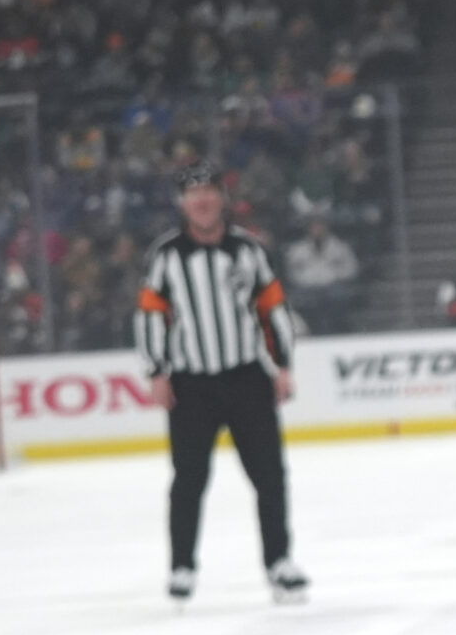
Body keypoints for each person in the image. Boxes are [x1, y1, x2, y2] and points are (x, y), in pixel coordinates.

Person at [135, 161, 308, 606]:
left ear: (221, 199)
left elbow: (273, 308)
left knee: (270, 476)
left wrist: (282, 364)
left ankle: (279, 562)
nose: (202, 202)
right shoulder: (167, 255)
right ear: (183, 203)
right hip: (191, 385)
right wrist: (156, 369)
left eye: (209, 192)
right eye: (194, 195)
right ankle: (182, 568)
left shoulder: (248, 250)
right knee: (188, 480)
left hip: (247, 378)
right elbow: (151, 314)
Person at [283, 217, 361, 335]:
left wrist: (336, 275)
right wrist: (306, 279)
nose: (317, 230)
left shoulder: (339, 247)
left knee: (338, 297)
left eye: (320, 226)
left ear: (326, 228)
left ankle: (337, 330)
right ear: (308, 229)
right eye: (314, 227)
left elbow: (351, 267)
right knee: (304, 302)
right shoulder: (297, 249)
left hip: (332, 286)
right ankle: (313, 330)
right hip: (307, 287)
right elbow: (292, 272)